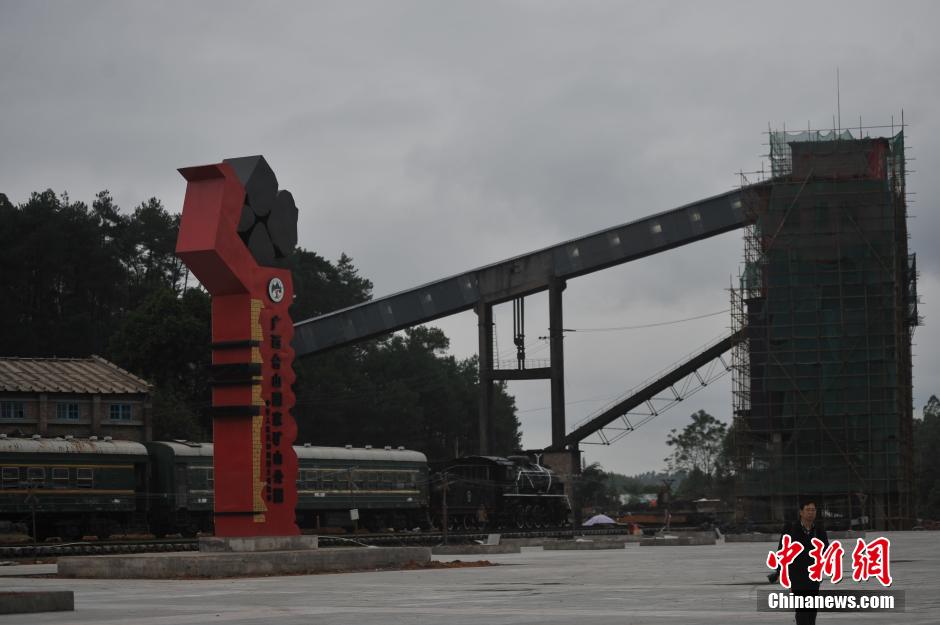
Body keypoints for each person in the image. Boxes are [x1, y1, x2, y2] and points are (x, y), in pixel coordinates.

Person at [775, 497, 829, 625]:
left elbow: (826, 549)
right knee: (802, 610)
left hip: (813, 576)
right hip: (796, 575)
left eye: (813, 510)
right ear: (801, 512)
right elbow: (781, 549)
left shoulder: (819, 530)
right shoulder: (791, 528)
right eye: (808, 509)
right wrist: (779, 571)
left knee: (812, 610)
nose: (811, 512)